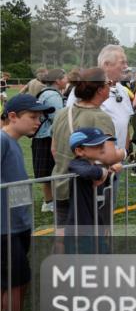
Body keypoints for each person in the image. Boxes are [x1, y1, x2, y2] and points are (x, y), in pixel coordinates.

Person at [2, 94, 53, 311]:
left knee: (16, 281)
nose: (39, 122)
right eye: (33, 117)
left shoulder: (12, 142)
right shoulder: (1, 141)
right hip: (4, 228)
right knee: (14, 282)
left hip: (16, 224)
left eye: (40, 117)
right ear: (13, 116)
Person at [51, 69, 124, 227]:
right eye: (108, 84)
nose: (110, 87)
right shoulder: (100, 117)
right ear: (100, 90)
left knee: (62, 238)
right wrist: (124, 153)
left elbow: (54, 150)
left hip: (60, 184)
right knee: (94, 238)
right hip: (88, 189)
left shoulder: (63, 112)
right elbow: (109, 156)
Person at [67, 45, 134, 158]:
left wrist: (124, 152)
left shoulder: (122, 90)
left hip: (116, 159)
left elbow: (125, 123)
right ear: (106, 64)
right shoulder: (82, 90)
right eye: (122, 63)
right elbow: (70, 125)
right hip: (92, 162)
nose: (126, 67)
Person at [66, 127, 121, 252]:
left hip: (95, 223)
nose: (102, 147)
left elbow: (101, 183)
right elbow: (88, 172)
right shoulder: (76, 164)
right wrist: (103, 171)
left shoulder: (95, 165)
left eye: (102, 144)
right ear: (79, 151)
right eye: (96, 145)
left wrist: (110, 172)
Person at [34, 68, 67, 213]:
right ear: (57, 80)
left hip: (44, 137)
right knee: (49, 171)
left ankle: (49, 201)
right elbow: (58, 118)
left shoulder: (48, 93)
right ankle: (49, 202)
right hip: (47, 137)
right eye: (64, 77)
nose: (67, 80)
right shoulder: (52, 96)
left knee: (47, 172)